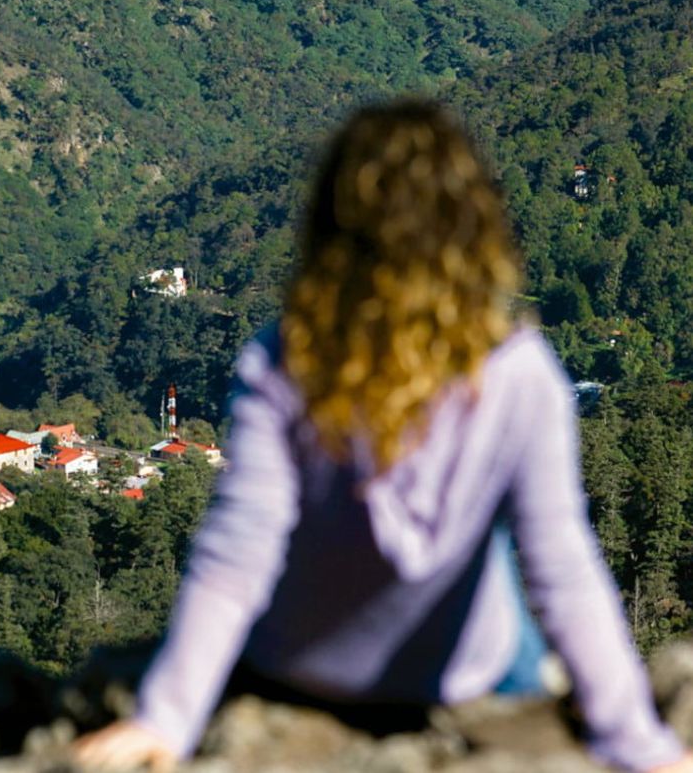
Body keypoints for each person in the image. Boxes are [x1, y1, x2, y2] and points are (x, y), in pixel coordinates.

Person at [74, 100, 691, 773]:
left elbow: (238, 551)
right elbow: (565, 569)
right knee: (510, 554)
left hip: (305, 666)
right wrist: (641, 747)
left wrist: (166, 718)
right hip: (456, 676)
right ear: (471, 227)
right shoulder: (520, 374)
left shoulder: (287, 359)